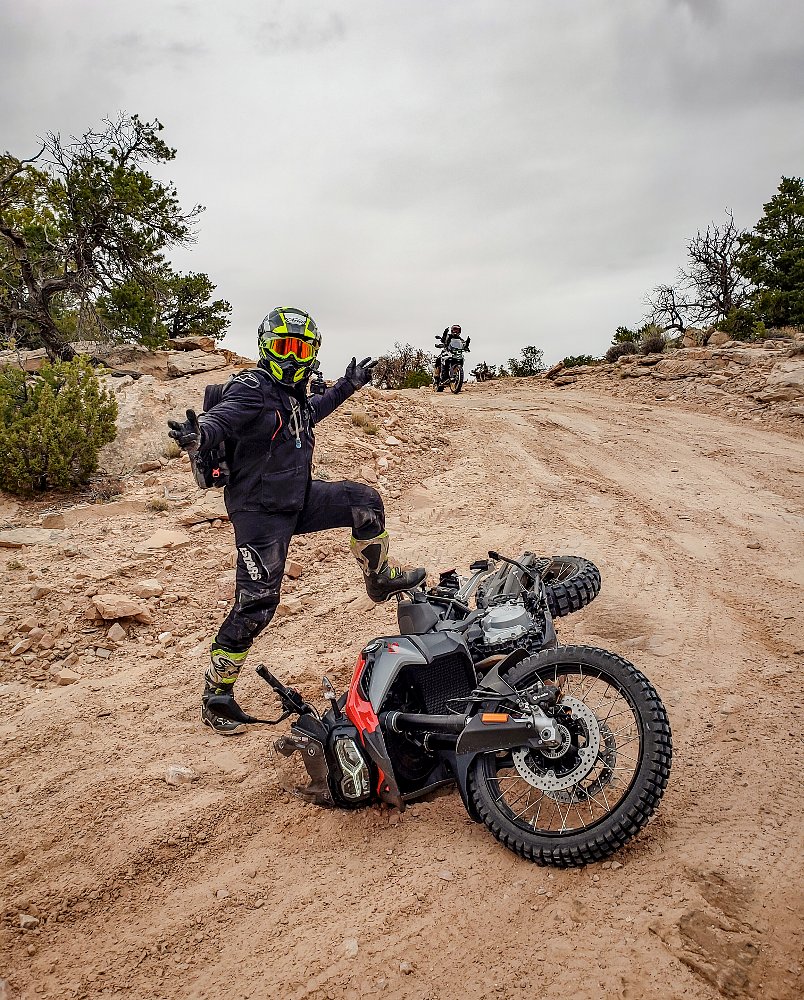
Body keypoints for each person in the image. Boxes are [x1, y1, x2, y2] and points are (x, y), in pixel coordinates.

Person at [168, 306, 426, 736]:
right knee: (256, 607)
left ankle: (378, 577)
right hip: (259, 515)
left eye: (301, 347)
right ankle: (217, 696)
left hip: (297, 499)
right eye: (286, 346)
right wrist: (199, 436)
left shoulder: (293, 395)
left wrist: (349, 384)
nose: (293, 356)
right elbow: (221, 419)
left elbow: (312, 411)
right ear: (268, 347)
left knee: (365, 502)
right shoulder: (252, 389)